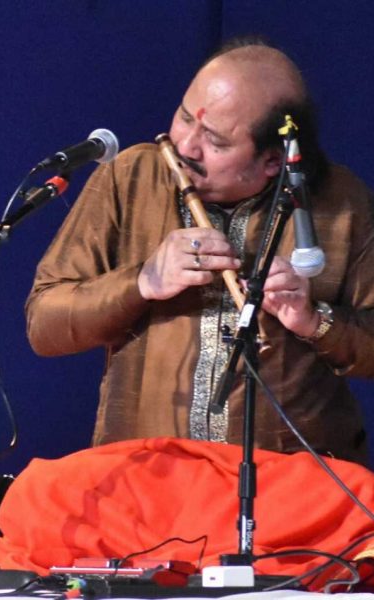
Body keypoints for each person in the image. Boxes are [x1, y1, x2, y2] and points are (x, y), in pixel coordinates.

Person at [25, 39, 374, 465]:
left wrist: (315, 320)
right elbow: (44, 323)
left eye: (215, 141)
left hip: (289, 485)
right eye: (185, 118)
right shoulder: (129, 177)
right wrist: (141, 282)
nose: (186, 145)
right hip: (144, 476)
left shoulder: (342, 202)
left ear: (272, 162)